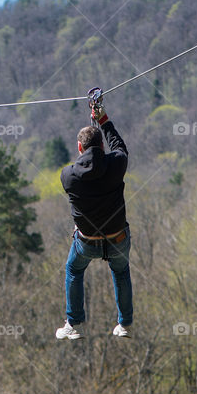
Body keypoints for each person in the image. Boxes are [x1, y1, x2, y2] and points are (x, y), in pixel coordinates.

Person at [55, 98, 132, 339]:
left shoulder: (68, 176)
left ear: (79, 148)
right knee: (120, 272)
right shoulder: (117, 163)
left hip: (86, 242)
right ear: (102, 146)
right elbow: (119, 146)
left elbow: (95, 161)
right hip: (117, 237)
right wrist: (104, 120)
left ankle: (73, 323)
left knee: (73, 270)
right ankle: (124, 324)